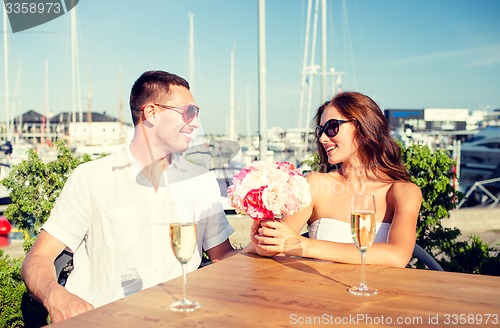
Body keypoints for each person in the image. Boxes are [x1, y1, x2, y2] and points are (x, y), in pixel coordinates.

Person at [21, 70, 237, 322]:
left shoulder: (201, 181)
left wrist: (260, 243)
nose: (196, 123)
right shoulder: (91, 178)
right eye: (189, 112)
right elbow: (38, 258)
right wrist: (55, 296)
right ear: (151, 112)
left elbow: (222, 257)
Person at [250, 91, 422, 268]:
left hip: (379, 294)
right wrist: (263, 241)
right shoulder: (315, 185)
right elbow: (277, 244)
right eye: (321, 131)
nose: (323, 138)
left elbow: (397, 256)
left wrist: (303, 246)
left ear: (362, 125)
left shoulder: (402, 192)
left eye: (332, 127)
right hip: (321, 292)